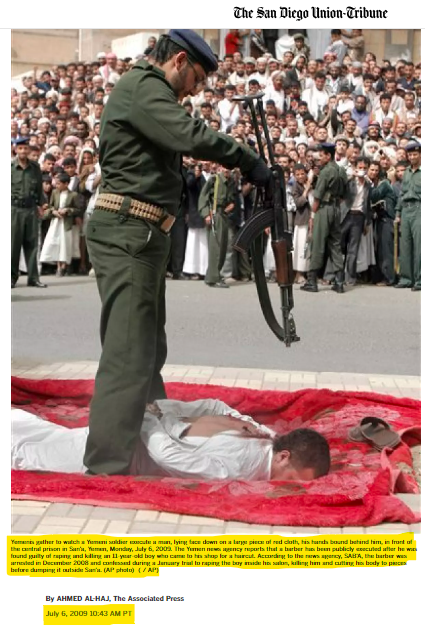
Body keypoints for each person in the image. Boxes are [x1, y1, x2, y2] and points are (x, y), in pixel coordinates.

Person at [84, 29, 270, 476]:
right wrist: (246, 158)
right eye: (197, 79)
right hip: (128, 230)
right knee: (129, 354)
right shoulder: (144, 86)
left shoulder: (149, 91)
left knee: (148, 350)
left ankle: (146, 439)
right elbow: (188, 135)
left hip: (143, 233)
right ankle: (107, 467)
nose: (196, 90)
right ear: (180, 60)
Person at [11, 399, 331, 482]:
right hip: (130, 441)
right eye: (293, 479)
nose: (291, 488)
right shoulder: (253, 453)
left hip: (134, 442)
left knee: (37, 445)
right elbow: (215, 406)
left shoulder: (261, 452)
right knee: (27, 449)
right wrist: (149, 416)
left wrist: (148, 417)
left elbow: (171, 458)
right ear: (285, 455)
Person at [301, 143, 347, 294]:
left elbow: (318, 196)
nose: (319, 159)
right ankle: (339, 282)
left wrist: (312, 216)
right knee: (335, 244)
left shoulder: (326, 171)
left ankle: (312, 281)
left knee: (317, 243)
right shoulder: (341, 170)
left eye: (321, 156)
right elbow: (344, 193)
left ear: (328, 155)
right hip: (336, 209)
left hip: (324, 208)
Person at [11, 137, 47, 289]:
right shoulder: (10, 167)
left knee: (32, 244)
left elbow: (39, 188)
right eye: (20, 148)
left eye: (25, 148)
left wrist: (41, 205)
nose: (23, 151)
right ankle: (11, 277)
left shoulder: (35, 167)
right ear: (15, 150)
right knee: (13, 245)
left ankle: (33, 278)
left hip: (31, 209)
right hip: (14, 209)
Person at [39, 173, 80, 276]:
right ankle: (58, 266)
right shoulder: (54, 193)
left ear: (66, 184)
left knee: (65, 244)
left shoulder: (73, 195)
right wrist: (54, 211)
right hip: (56, 222)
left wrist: (67, 210)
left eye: (59, 183)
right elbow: (51, 206)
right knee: (56, 243)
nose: (56, 186)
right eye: (56, 183)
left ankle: (64, 266)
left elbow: (77, 209)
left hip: (66, 223)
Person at [394, 142, 421, 291]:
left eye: (415, 154)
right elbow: (402, 194)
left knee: (419, 246)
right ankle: (406, 278)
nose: (412, 157)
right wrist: (398, 213)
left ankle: (420, 280)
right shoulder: (407, 172)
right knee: (405, 245)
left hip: (419, 208)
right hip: (406, 209)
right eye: (410, 155)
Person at [368, 161, 398, 286]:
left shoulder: (384, 183)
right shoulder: (377, 184)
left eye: (376, 170)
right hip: (379, 220)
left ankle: (389, 278)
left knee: (386, 250)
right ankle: (381, 277)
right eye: (372, 170)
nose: (374, 172)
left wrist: (367, 182)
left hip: (387, 220)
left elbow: (375, 196)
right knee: (379, 250)